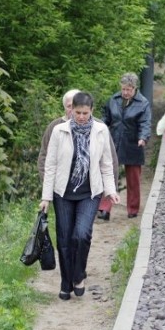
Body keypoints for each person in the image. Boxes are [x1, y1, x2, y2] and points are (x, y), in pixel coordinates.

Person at [39, 92, 120, 301]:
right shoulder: (59, 131)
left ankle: (78, 275)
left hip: (89, 192)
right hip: (63, 193)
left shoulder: (101, 130)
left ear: (91, 111)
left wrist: (111, 190)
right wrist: (46, 197)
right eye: (78, 112)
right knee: (65, 239)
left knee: (81, 234)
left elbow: (106, 164)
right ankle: (66, 282)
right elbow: (51, 165)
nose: (82, 117)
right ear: (71, 110)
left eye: (85, 113)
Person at [103, 72, 152, 219]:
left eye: (128, 89)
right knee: (108, 174)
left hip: (133, 143)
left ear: (134, 88)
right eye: (123, 89)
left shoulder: (143, 103)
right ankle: (104, 208)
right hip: (114, 141)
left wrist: (143, 138)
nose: (125, 92)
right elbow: (106, 118)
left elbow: (145, 123)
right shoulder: (113, 99)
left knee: (133, 179)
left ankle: (133, 209)